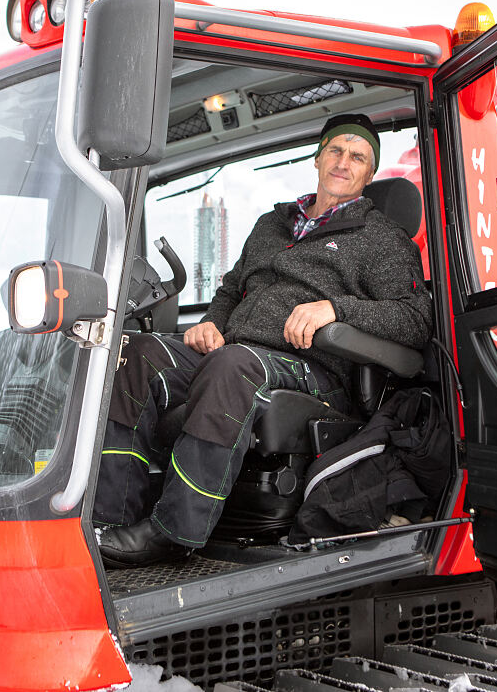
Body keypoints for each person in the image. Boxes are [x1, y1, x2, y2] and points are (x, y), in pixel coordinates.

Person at [94, 113, 432, 568]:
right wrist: (210, 322)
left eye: (358, 157)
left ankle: (174, 530)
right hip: (235, 349)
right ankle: (108, 521)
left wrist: (336, 310)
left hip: (314, 368)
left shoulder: (382, 240)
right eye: (335, 150)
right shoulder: (271, 226)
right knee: (134, 353)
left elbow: (414, 318)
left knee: (235, 365)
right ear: (318, 158)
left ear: (370, 175)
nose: (343, 162)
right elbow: (232, 290)